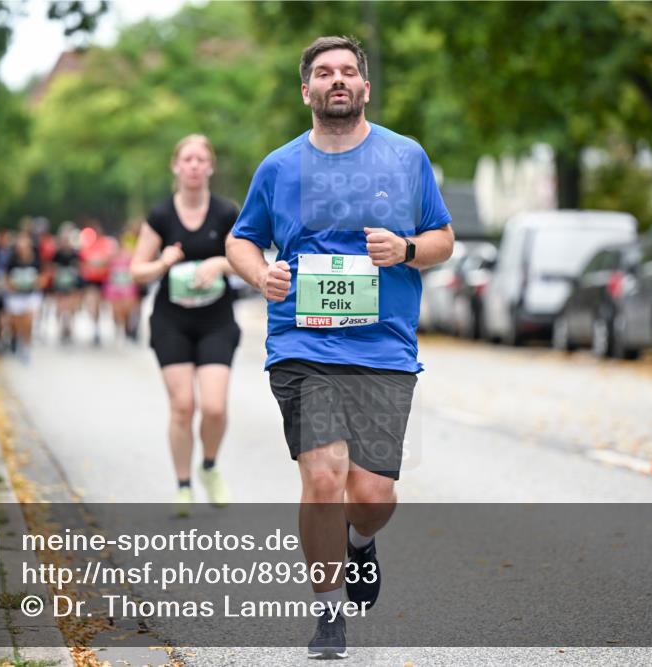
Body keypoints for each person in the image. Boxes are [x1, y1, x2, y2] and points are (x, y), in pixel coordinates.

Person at [226, 36, 454, 659]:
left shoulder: (405, 157)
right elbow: (241, 239)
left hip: (383, 349)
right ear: (307, 91)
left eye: (348, 72)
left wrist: (406, 249)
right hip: (302, 345)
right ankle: (329, 614)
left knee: (371, 496)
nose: (337, 80)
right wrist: (261, 275)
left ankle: (360, 542)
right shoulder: (279, 167)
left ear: (365, 88)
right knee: (324, 476)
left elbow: (442, 238)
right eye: (324, 73)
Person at [131, 134, 242, 517]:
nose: (194, 165)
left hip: (216, 319)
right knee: (182, 406)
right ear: (175, 166)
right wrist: (162, 263)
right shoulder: (161, 215)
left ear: (210, 167)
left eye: (201, 159)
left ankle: (208, 465)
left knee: (213, 407)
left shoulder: (226, 212)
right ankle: (182, 485)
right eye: (187, 159)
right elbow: (137, 270)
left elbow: (246, 260)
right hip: (172, 320)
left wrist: (219, 263)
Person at [4, 232, 42, 363]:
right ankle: (16, 339)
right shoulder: (12, 260)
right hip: (16, 296)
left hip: (31, 295)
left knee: (28, 321)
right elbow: (6, 277)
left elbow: (43, 275)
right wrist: (11, 285)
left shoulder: (36, 259)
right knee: (16, 323)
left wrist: (38, 282)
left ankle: (26, 347)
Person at [78, 219, 116, 346]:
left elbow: (108, 258)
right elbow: (84, 258)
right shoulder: (87, 241)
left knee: (101, 305)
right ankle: (95, 328)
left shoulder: (106, 242)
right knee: (92, 303)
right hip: (91, 280)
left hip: (104, 279)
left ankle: (102, 326)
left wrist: (97, 262)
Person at [104, 223, 141, 342]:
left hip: (128, 287)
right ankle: (119, 328)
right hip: (114, 287)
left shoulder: (130, 253)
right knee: (116, 310)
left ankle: (128, 329)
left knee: (128, 310)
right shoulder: (110, 255)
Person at [50, 223, 82, 344]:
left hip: (71, 284)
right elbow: (51, 268)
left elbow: (79, 268)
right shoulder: (57, 254)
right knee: (60, 306)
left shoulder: (75, 253)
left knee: (71, 306)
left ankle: (70, 327)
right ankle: (61, 327)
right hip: (60, 284)